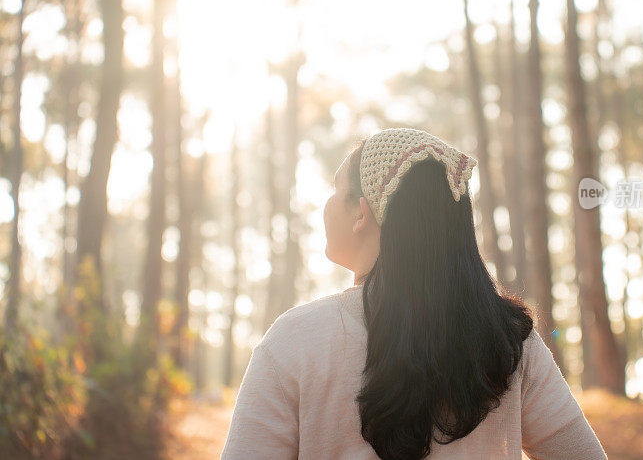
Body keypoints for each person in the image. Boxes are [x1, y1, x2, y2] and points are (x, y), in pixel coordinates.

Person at [221, 127, 607, 459]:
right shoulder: (508, 341)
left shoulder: (295, 340)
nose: (325, 205)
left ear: (361, 213)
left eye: (333, 189)